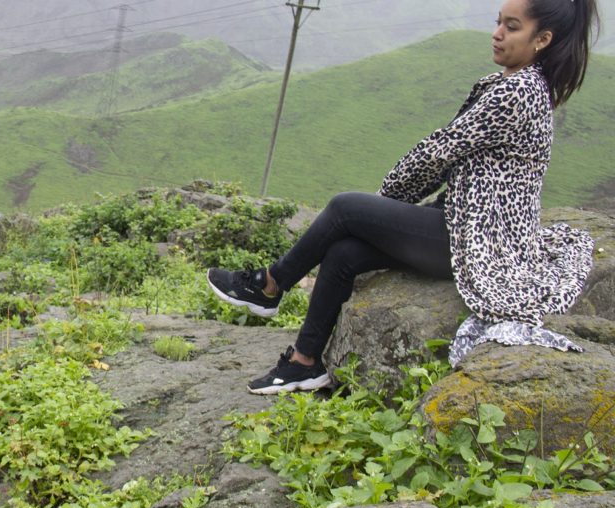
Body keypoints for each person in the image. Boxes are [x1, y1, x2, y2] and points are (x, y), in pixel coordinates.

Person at [206, 0, 600, 395]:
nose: (498, 33)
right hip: (470, 228)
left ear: (542, 39)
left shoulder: (517, 91)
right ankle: (304, 363)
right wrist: (383, 216)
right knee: (343, 252)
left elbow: (438, 153)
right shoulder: (521, 85)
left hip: (477, 241)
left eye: (512, 27)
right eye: (498, 22)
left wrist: (384, 206)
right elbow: (453, 159)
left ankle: (270, 285)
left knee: (345, 208)